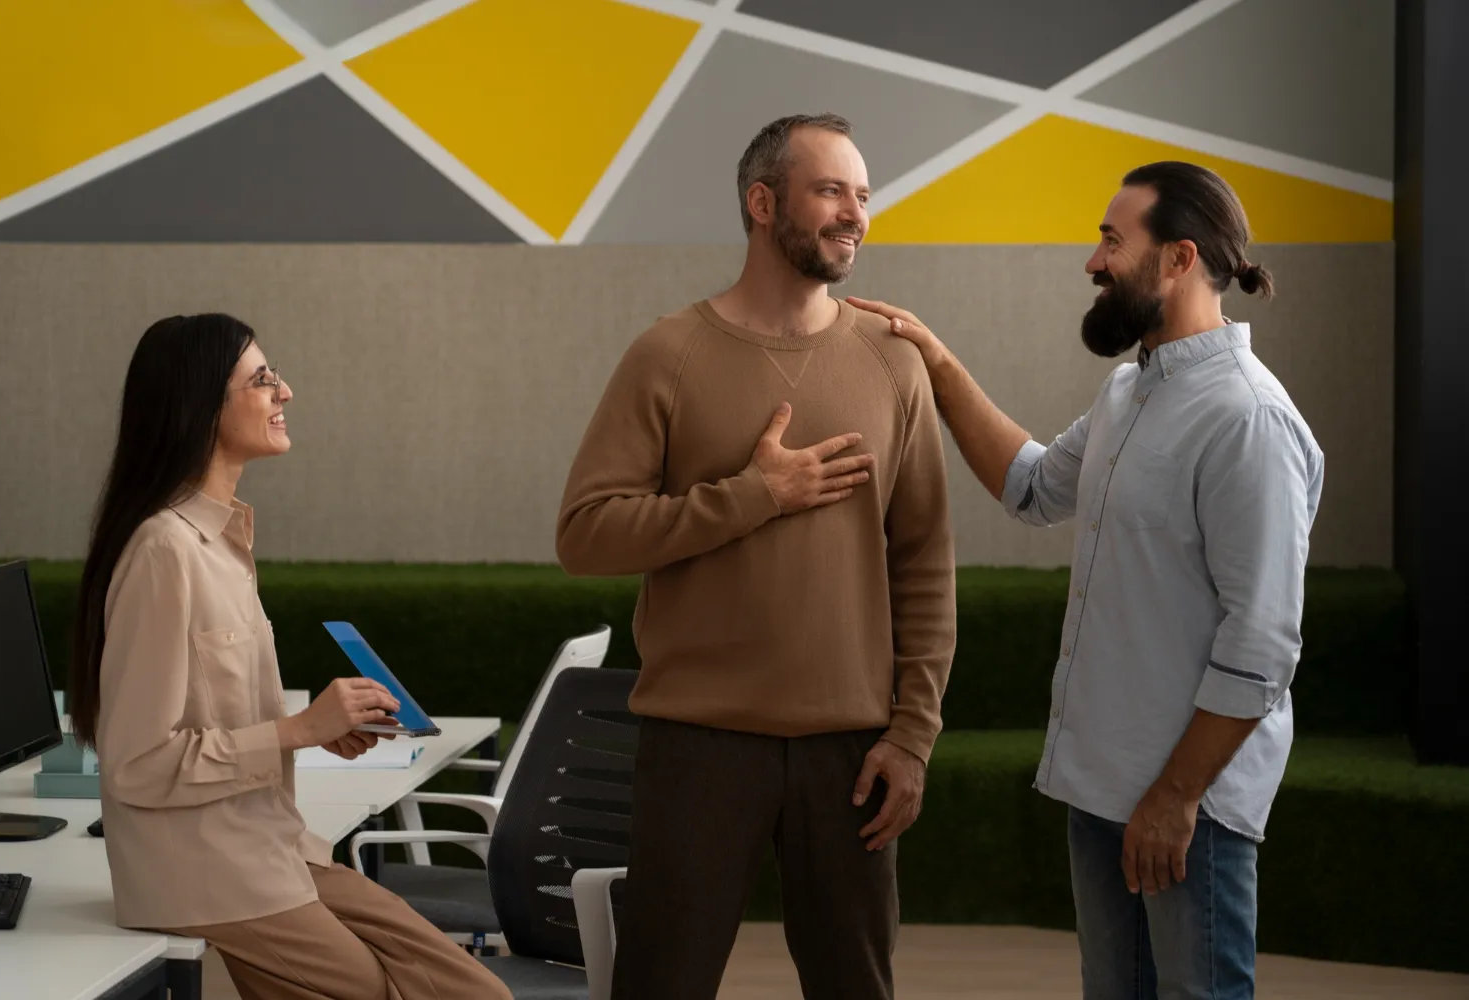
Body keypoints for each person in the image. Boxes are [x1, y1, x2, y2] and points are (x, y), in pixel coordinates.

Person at [849, 161, 1323, 1000]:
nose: (1093, 262)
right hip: (1104, 789)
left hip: (1190, 807)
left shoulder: (1248, 419)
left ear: (1178, 259)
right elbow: (1031, 487)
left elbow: (1262, 646)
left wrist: (1176, 798)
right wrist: (936, 359)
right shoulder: (1127, 392)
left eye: (1111, 240)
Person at [556, 112, 957, 1000]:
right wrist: (753, 497)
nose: (854, 212)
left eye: (863, 194)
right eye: (830, 191)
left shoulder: (895, 362)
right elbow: (585, 535)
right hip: (697, 745)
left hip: (852, 752)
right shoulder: (668, 354)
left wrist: (912, 735)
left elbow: (924, 564)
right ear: (761, 201)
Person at [66, 314, 511, 1000]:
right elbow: (137, 765)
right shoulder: (164, 552)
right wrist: (296, 730)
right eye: (263, 379)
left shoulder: (222, 541)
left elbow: (215, 722)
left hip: (272, 849)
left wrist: (313, 735)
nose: (286, 392)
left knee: (480, 992)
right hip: (207, 876)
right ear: (202, 406)